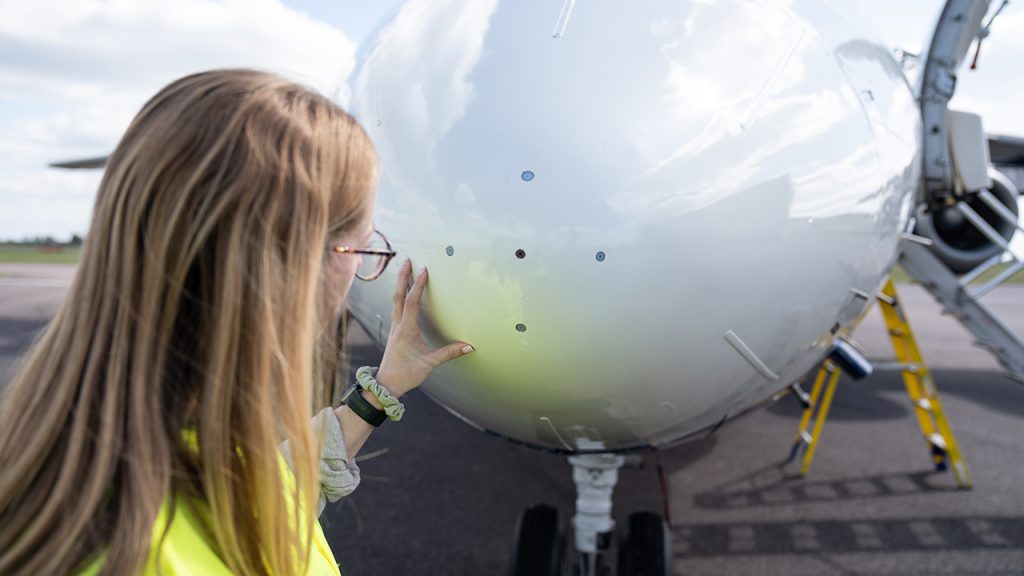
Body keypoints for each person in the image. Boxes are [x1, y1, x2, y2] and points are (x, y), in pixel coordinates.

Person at [0, 69, 473, 575]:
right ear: (285, 268)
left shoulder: (83, 470)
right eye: (359, 247)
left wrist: (382, 388)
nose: (362, 267)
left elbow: (276, 491)